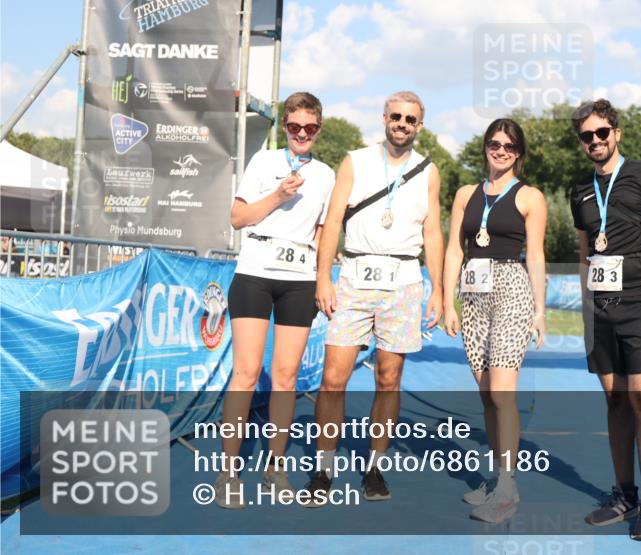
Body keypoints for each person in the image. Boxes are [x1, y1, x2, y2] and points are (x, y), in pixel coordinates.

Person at [309, 91, 444, 503]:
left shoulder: (429, 171)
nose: (402, 124)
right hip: (353, 275)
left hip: (403, 280)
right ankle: (323, 468)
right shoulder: (355, 161)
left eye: (411, 119)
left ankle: (374, 468)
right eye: (397, 116)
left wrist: (438, 290)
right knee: (333, 380)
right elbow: (332, 222)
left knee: (389, 380)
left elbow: (433, 232)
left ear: (419, 126)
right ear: (384, 117)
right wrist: (323, 278)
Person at [569, 99, 641, 541]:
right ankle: (624, 494)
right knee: (616, 401)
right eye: (587, 136)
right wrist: (586, 311)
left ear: (616, 133)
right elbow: (585, 254)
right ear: (581, 142)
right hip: (601, 309)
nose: (596, 141)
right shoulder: (578, 189)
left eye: (602, 133)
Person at [216, 92, 336, 509]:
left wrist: (324, 277)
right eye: (295, 127)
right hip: (254, 273)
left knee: (285, 378)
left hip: (299, 279)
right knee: (246, 374)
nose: (302, 134)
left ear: (319, 129)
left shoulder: (326, 174)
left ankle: (275, 467)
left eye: (310, 128)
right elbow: (238, 218)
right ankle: (228, 472)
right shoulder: (265, 162)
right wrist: (278, 197)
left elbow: (324, 233)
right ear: (284, 127)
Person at [442, 118, 547, 523]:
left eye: (508, 145)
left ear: (518, 153)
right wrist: (449, 301)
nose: (500, 150)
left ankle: (507, 487)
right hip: (473, 295)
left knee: (503, 392)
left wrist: (539, 310)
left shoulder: (530, 197)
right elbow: (455, 248)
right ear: (484, 147)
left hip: (511, 290)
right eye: (493, 143)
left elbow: (535, 255)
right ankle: (495, 474)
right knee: (486, 393)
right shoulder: (466, 194)